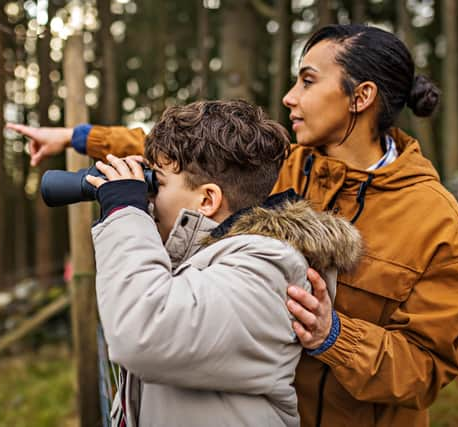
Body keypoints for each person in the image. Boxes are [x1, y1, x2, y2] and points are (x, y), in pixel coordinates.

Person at [8, 24, 458, 427]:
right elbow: (189, 162)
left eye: (308, 81)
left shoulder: (437, 223)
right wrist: (77, 136)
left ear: (361, 96)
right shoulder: (285, 166)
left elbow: (426, 368)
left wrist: (334, 335)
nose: (289, 97)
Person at [86, 100, 362, 426]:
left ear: (207, 200)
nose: (147, 197)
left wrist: (124, 212)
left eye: (156, 184)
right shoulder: (202, 259)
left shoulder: (268, 269)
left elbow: (143, 332)